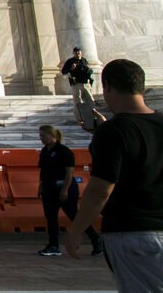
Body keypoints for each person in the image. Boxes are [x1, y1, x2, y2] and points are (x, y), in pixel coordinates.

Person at [63, 59, 163, 292]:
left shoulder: (113, 132)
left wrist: (77, 229)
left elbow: (100, 189)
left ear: (106, 86)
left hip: (133, 233)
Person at [36, 125, 102, 257]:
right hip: (49, 189)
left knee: (74, 216)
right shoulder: (44, 151)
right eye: (40, 136)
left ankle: (96, 239)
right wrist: (41, 186)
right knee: (51, 218)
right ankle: (53, 245)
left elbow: (69, 172)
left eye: (44, 136)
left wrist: (65, 189)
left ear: (52, 136)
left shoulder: (64, 151)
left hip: (63, 187)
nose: (41, 139)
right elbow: (43, 172)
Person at [60, 47, 95, 126]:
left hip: (86, 83)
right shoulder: (70, 61)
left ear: (81, 52)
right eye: (76, 52)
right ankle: (80, 118)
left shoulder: (84, 60)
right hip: (77, 84)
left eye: (78, 51)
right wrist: (71, 68)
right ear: (73, 53)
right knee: (78, 101)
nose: (77, 53)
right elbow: (63, 71)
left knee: (90, 100)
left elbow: (88, 70)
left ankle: (92, 116)